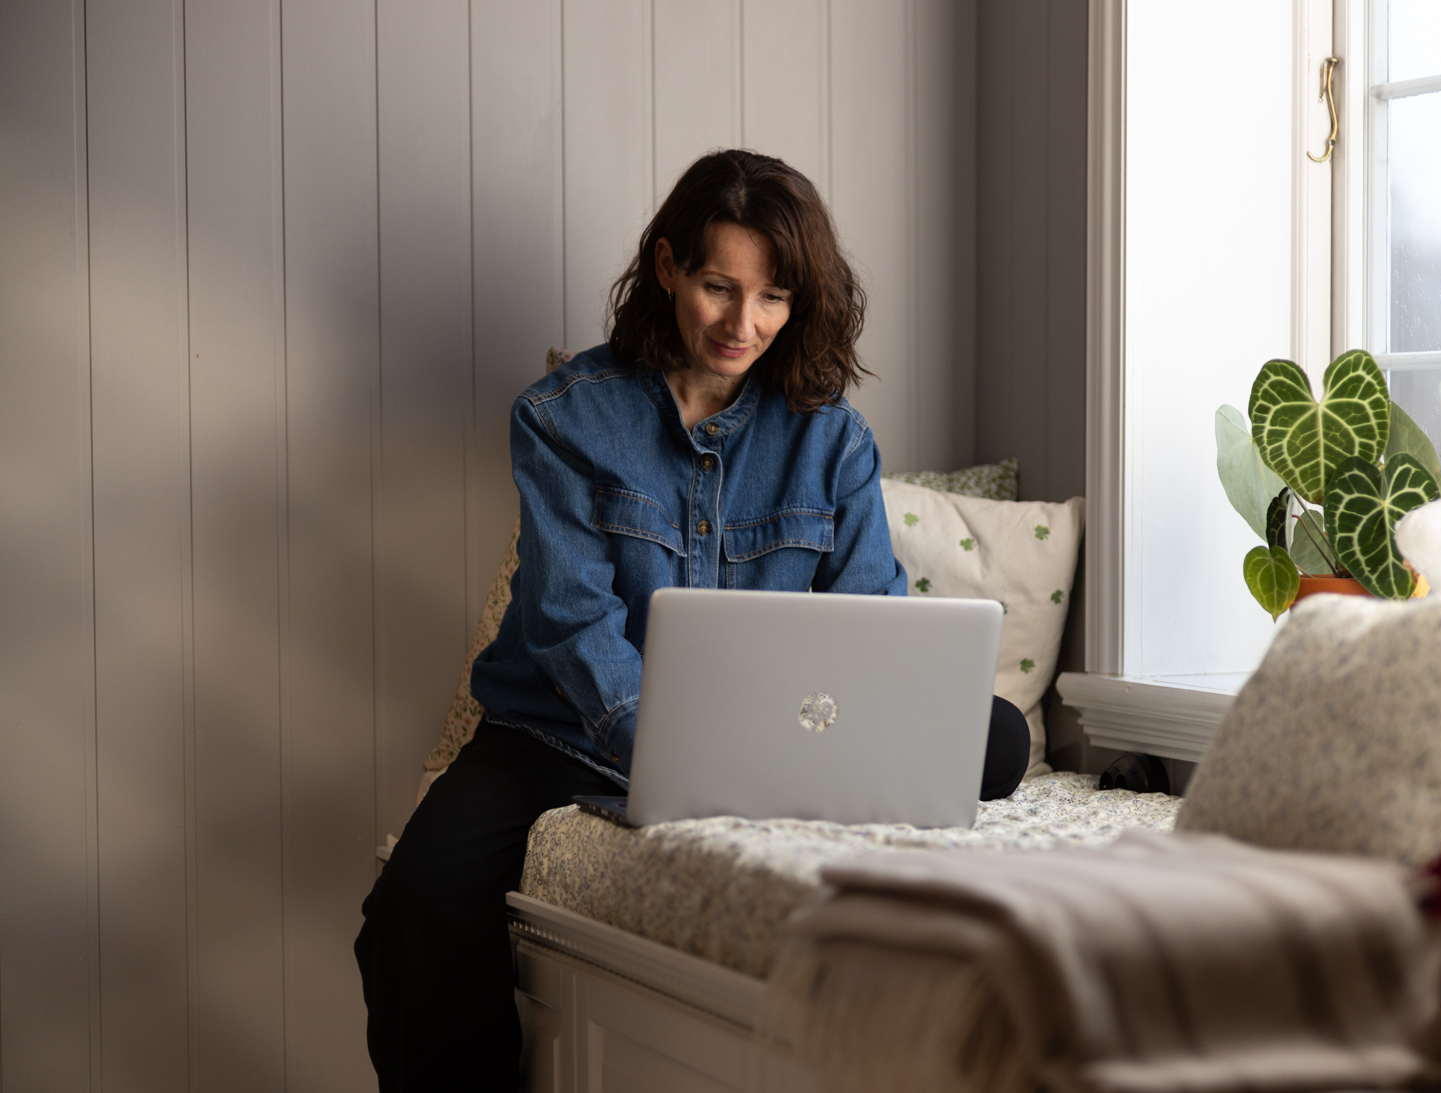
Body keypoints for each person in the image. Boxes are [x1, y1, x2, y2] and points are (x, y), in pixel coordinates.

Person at [354, 149, 1030, 1092]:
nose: (743, 324)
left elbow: (871, 623)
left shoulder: (833, 438)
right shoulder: (564, 417)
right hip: (557, 733)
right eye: (720, 287)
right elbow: (570, 627)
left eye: (773, 297)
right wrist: (686, 763)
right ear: (668, 267)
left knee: (999, 738)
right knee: (414, 904)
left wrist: (839, 736)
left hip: (768, 729)